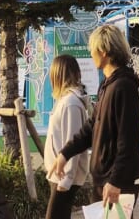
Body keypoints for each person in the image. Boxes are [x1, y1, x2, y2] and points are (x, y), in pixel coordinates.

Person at [50, 24, 139, 211]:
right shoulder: (108, 85)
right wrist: (65, 153)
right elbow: (92, 126)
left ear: (104, 52)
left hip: (117, 180)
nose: (91, 53)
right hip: (104, 178)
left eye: (92, 49)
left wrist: (116, 181)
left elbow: (129, 140)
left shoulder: (123, 87)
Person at [43, 55, 90, 219]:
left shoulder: (70, 103)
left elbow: (73, 142)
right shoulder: (66, 101)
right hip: (59, 173)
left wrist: (67, 179)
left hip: (63, 176)